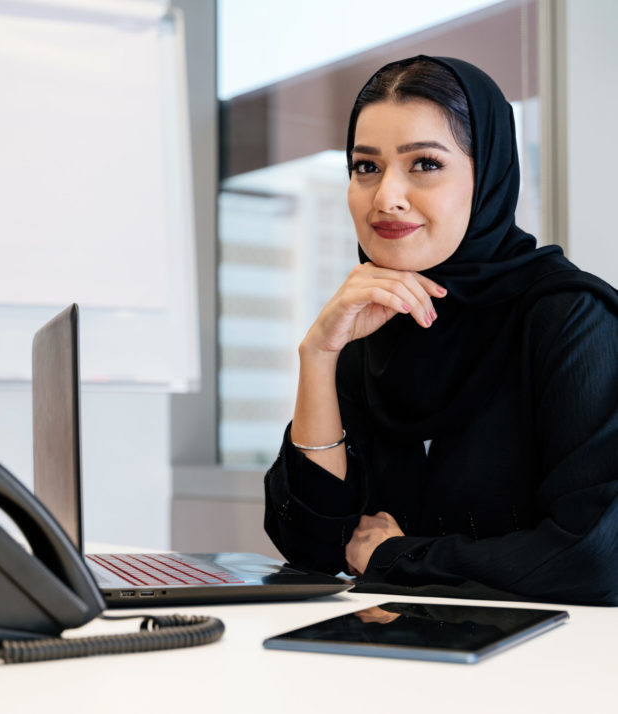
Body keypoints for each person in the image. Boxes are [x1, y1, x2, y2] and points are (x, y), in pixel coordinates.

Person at [263, 55, 618, 605]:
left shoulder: (570, 318)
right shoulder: (373, 321)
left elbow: (594, 557)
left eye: (425, 164)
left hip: (549, 670)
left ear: (488, 175)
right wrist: (319, 355)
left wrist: (392, 557)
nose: (386, 198)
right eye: (366, 167)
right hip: (398, 657)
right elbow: (311, 545)